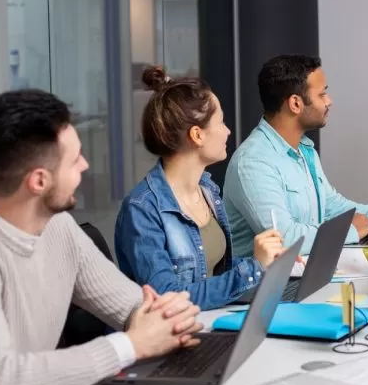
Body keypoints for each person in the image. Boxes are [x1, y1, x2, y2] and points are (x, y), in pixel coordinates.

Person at [0, 89, 203, 385]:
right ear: (39, 181)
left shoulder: (58, 226)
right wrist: (130, 346)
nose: (86, 165)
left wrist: (167, 317)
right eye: (75, 160)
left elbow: (131, 305)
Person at [115, 67, 285, 311]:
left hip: (210, 320)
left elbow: (210, 270)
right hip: (176, 331)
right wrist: (252, 268)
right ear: (197, 135)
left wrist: (263, 260)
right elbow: (167, 297)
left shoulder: (207, 190)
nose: (228, 131)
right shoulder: (142, 209)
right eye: (221, 122)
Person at [224, 55, 368, 257]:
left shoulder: (305, 151)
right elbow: (283, 238)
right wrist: (350, 231)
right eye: (322, 94)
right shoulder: (253, 162)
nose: (329, 101)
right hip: (271, 276)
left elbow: (333, 206)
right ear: (295, 104)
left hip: (306, 268)